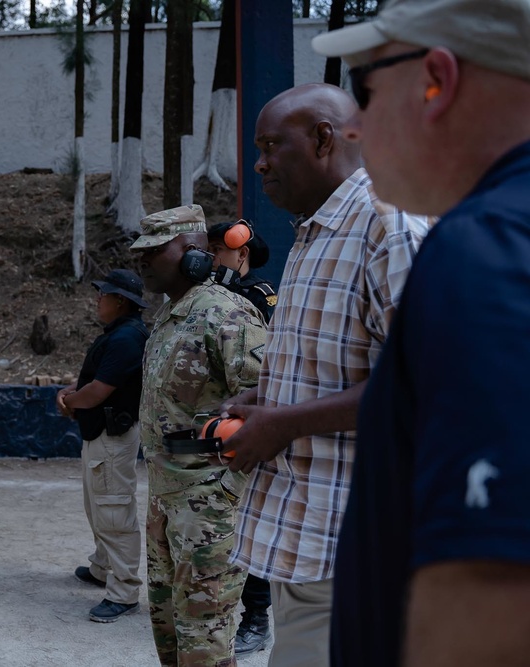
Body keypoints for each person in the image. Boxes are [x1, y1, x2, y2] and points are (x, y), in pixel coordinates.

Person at [311, 1, 530, 665]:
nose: (353, 127)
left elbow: (493, 594)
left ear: (436, 80)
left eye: (368, 91)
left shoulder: (485, 250)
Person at [219, 83, 430, 667]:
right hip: (312, 541)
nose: (258, 163)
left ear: (322, 138)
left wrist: (283, 424)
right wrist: (267, 398)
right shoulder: (316, 232)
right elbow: (351, 361)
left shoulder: (390, 226)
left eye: (269, 146)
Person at [130, 205, 267, 666]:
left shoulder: (227, 315)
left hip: (209, 506)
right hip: (165, 499)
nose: (142, 262)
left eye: (153, 252)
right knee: (169, 636)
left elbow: (266, 407)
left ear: (193, 255)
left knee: (204, 644)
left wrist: (228, 490)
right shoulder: (170, 317)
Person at [57, 268, 149, 623]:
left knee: (114, 512)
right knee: (99, 507)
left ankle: (124, 592)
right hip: (102, 436)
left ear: (120, 301)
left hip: (112, 438)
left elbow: (98, 391)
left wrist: (67, 400)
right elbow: (93, 386)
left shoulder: (127, 338)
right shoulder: (121, 333)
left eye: (103, 294)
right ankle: (102, 568)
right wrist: (71, 396)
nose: (98, 300)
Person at [206, 220, 276, 655]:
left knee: (246, 522)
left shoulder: (256, 296)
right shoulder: (217, 296)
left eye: (218, 251)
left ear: (240, 254)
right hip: (214, 425)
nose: (212, 259)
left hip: (244, 426)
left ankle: (256, 617)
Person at [207, 220, 277, 323]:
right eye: (208, 250)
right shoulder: (204, 286)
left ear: (242, 254)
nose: (210, 256)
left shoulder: (259, 296)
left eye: (217, 249)